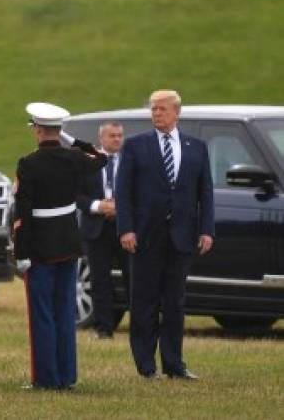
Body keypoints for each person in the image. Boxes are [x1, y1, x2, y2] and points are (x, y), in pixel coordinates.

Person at [116, 90, 214, 380]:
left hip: (182, 237)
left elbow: (204, 191)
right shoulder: (136, 146)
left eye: (161, 109)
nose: (156, 113)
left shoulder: (196, 147)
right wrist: (126, 228)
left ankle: (174, 364)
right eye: (153, 109)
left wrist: (207, 229)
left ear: (176, 112)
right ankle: (146, 366)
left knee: (175, 302)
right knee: (144, 302)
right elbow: (123, 191)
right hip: (145, 237)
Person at [13, 102, 106, 390]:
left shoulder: (29, 164)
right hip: (68, 241)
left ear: (38, 130)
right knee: (65, 311)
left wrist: (21, 253)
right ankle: (67, 377)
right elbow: (100, 157)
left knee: (42, 313)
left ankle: (46, 378)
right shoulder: (74, 159)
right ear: (59, 131)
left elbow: (22, 215)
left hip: (40, 246)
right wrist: (70, 140)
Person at [76, 121, 131, 339]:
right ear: (102, 139)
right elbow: (77, 196)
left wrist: (119, 207)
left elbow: (140, 193)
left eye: (120, 135)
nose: (117, 139)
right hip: (96, 229)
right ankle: (104, 329)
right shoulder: (88, 163)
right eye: (112, 136)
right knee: (100, 280)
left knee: (133, 279)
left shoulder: (130, 163)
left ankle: (139, 327)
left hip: (125, 228)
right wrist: (99, 206)